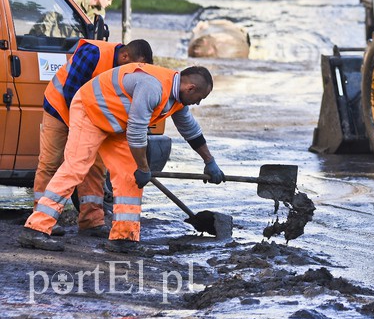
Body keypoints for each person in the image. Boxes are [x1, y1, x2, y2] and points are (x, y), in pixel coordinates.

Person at [19, 64, 225, 253]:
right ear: (190, 88)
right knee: (75, 168)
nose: (198, 102)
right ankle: (36, 228)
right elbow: (136, 132)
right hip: (89, 111)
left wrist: (209, 161)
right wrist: (144, 167)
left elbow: (191, 131)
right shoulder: (153, 87)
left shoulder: (177, 99)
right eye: (200, 97)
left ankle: (123, 239)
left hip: (116, 124)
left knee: (130, 177)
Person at [35, 39, 154, 239]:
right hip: (59, 108)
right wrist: (79, 130)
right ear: (125, 56)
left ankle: (91, 221)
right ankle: (41, 218)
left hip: (90, 118)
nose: (135, 71)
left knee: (95, 167)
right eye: (134, 65)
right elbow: (71, 91)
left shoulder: (127, 72)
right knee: (50, 163)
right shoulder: (94, 53)